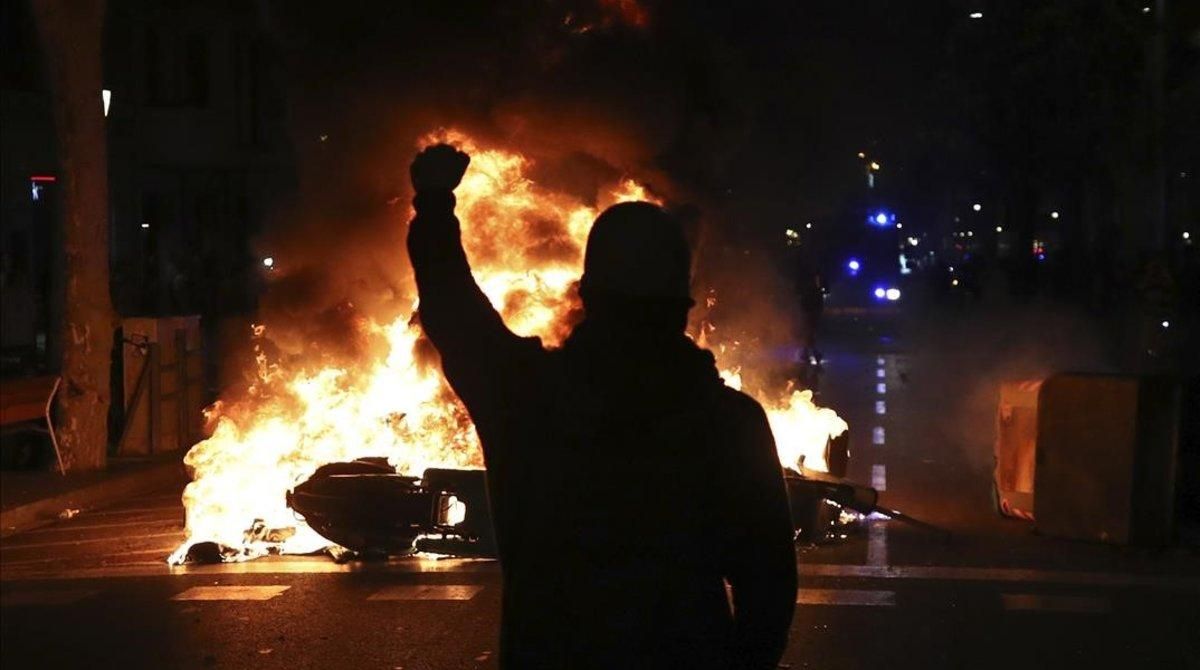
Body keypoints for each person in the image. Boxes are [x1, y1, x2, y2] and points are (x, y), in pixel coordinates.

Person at [407, 144, 797, 669]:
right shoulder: (730, 422)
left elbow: (453, 309)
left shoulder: (527, 396)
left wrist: (434, 204)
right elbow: (767, 589)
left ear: (587, 293)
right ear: (684, 303)